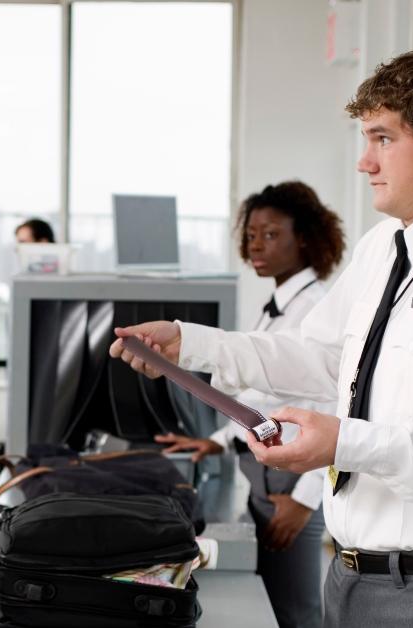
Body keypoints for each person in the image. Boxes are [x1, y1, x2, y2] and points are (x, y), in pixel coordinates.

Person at [111, 51, 413, 628]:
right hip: (353, 579)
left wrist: (346, 444)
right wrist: (191, 343)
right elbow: (324, 357)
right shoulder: (386, 248)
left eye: (382, 138)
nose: (364, 162)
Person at [155, 181, 344, 628]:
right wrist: (217, 442)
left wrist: (303, 501)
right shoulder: (276, 305)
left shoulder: (315, 308)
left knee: (296, 614)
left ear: (305, 238)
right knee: (272, 607)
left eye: (271, 233)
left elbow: (336, 406)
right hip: (264, 481)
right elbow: (261, 402)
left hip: (292, 487)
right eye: (252, 234)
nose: (256, 244)